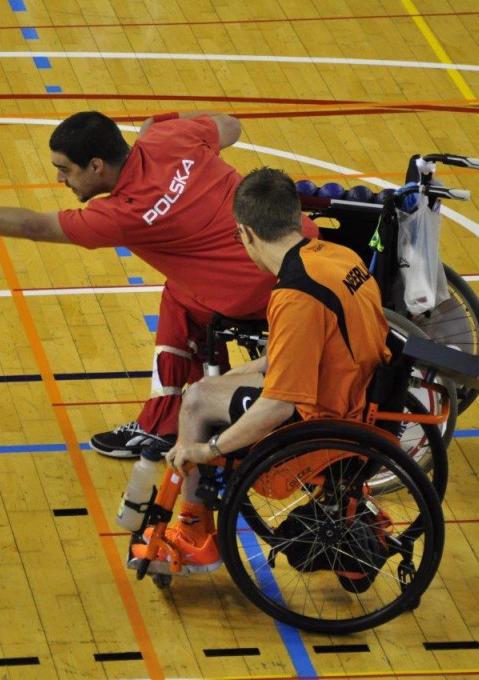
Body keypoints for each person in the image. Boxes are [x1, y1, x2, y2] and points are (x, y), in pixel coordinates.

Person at [0, 111, 317, 459]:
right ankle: (181, 413)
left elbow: (33, 226)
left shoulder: (122, 215)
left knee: (179, 298)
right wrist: (162, 126)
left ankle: (168, 422)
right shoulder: (172, 138)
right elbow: (230, 125)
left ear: (96, 166)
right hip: (302, 244)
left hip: (264, 291)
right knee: (180, 291)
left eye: (66, 170)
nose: (61, 180)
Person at [130, 167, 392, 572]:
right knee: (205, 390)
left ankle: (195, 534)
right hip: (354, 384)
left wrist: (207, 449)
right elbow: (277, 360)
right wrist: (221, 383)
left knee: (196, 402)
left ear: (247, 233)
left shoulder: (296, 295)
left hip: (327, 413)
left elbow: (279, 405)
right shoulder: (338, 256)